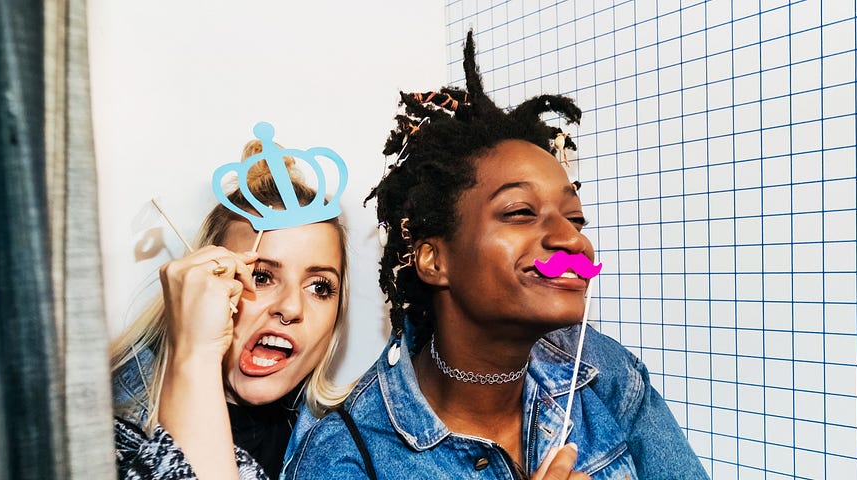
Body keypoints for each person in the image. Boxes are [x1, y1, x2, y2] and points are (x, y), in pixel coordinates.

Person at [282, 32, 710, 480]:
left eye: (576, 219)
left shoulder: (605, 374)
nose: (573, 240)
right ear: (433, 260)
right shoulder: (344, 453)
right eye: (521, 212)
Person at [109, 141, 350, 479]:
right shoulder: (101, 434)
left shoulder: (346, 446)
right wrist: (195, 352)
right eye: (261, 276)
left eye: (320, 287)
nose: (292, 307)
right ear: (203, 284)